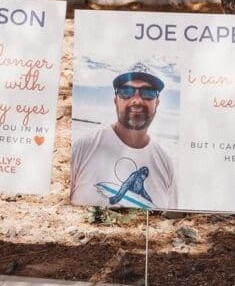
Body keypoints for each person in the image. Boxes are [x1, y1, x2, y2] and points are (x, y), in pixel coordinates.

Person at [69, 62, 176, 209]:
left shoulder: (166, 164)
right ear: (116, 101)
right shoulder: (81, 148)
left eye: (148, 93)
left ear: (157, 103)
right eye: (126, 91)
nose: (137, 100)